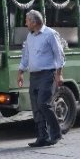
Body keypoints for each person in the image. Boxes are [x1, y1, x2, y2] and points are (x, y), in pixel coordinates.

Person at [17, 10, 65, 147]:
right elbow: (26, 56)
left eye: (27, 21)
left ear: (34, 22)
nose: (25, 23)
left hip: (47, 74)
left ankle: (56, 133)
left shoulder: (50, 34)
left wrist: (59, 73)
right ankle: (42, 137)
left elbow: (59, 55)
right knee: (36, 107)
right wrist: (20, 71)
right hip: (34, 75)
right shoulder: (30, 36)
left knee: (43, 103)